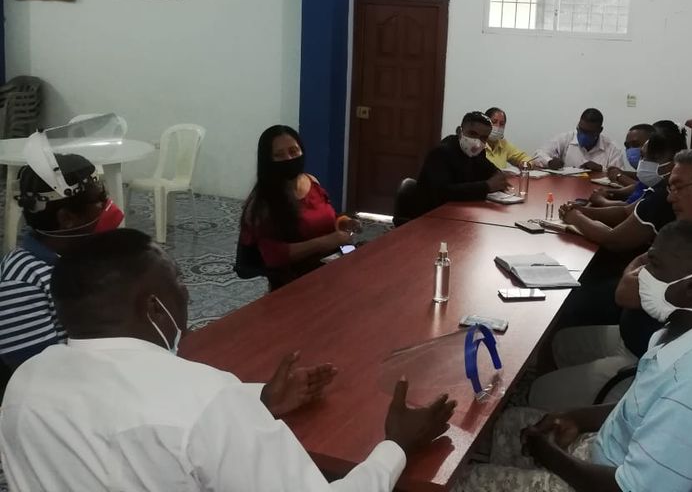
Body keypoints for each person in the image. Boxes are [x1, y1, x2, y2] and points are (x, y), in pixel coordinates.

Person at [0, 229, 456, 491]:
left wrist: (261, 399)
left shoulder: (24, 383)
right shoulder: (205, 398)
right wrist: (397, 445)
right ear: (154, 307)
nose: (188, 293)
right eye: (179, 282)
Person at [453, 221, 692, 492]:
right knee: (511, 423)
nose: (642, 275)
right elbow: (641, 406)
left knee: (460, 483)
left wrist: (549, 455)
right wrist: (576, 417)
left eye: (655, 266)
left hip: (614, 482)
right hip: (614, 450)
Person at [530, 148, 692, 409]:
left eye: (679, 188)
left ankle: (582, 416)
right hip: (634, 337)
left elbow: (625, 293)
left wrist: (632, 273)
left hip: (651, 364)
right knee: (558, 343)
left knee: (538, 393)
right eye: (670, 188)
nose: (670, 197)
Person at [0, 154, 124, 370]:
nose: (109, 206)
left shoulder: (83, 256)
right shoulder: (22, 280)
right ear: (67, 219)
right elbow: (35, 370)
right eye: (100, 200)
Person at [239, 125, 359, 290]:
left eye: (293, 151)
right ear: (268, 160)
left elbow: (325, 216)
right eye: (279, 155)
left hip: (331, 270)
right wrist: (324, 242)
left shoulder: (312, 181)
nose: (289, 158)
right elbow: (273, 256)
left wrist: (343, 222)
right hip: (295, 282)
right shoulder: (263, 203)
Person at [412, 111, 509, 217]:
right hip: (430, 216)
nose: (477, 142)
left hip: (460, 212)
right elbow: (443, 192)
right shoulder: (441, 153)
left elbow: (492, 172)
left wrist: (499, 179)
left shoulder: (477, 152)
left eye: (483, 138)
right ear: (459, 131)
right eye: (472, 134)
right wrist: (487, 186)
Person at [534, 109, 623, 172]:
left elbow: (620, 175)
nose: (583, 135)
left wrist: (601, 169)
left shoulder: (612, 148)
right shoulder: (566, 138)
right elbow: (538, 155)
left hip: (598, 190)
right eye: (580, 130)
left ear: (600, 130)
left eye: (588, 133)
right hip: (568, 188)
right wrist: (549, 162)